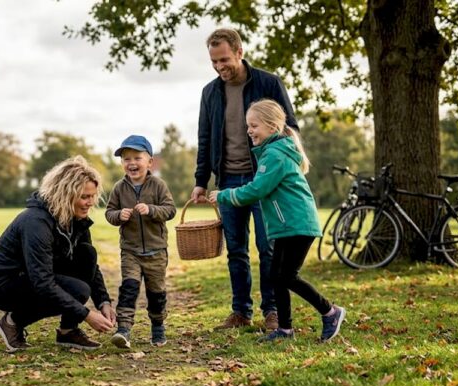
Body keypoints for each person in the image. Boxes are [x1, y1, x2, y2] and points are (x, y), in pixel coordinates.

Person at [209, 99, 346, 342]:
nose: (249, 130)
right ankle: (284, 329)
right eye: (248, 126)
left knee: (286, 276)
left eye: (254, 125)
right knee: (277, 275)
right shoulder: (273, 152)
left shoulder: (274, 155)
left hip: (298, 224)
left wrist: (224, 195)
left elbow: (255, 190)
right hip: (287, 225)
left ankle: (330, 311)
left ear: (272, 127)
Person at [192, 28, 299, 332]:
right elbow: (205, 138)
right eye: (214, 61)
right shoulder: (210, 92)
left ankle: (272, 310)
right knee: (236, 249)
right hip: (227, 180)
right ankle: (241, 311)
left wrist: (285, 167)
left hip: (263, 178)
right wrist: (201, 179)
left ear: (239, 52)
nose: (219, 66)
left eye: (224, 59)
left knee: (268, 247)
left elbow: (290, 127)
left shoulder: (268, 83)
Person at [0, 156, 116, 352]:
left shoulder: (76, 219)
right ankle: (12, 322)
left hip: (34, 276)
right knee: (78, 290)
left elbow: (90, 266)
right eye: (84, 197)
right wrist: (87, 314)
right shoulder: (36, 222)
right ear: (66, 194)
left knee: (87, 254)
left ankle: (68, 331)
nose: (90, 202)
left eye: (93, 196)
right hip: (3, 283)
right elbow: (43, 282)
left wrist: (103, 301)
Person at [105, 135, 176, 348]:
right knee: (129, 288)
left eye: (137, 157)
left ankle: (157, 326)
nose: (132, 163)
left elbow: (170, 209)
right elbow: (109, 212)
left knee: (156, 293)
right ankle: (124, 330)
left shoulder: (158, 185)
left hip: (156, 251)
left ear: (150, 162)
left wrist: (152, 210)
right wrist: (119, 216)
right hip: (131, 251)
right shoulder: (119, 187)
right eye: (126, 159)